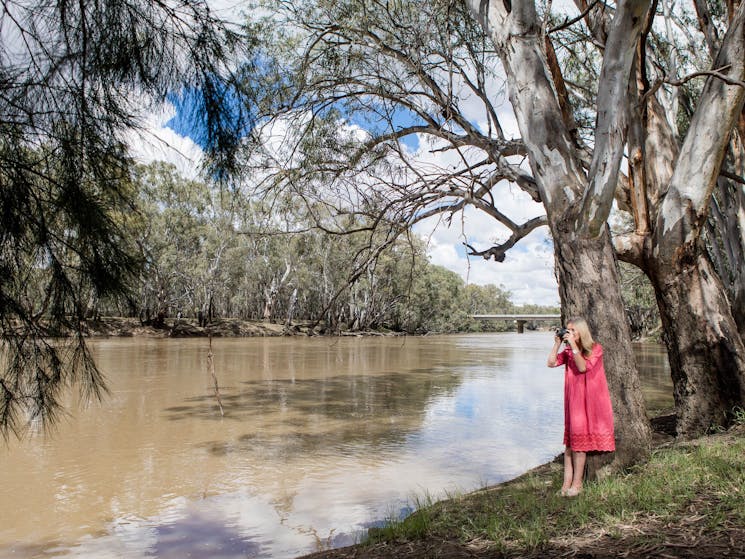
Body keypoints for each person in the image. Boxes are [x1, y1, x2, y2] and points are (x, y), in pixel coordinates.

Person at [547, 317, 615, 497]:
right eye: (567, 330)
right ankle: (566, 484)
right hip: (573, 401)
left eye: (572, 331)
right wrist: (557, 345)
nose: (569, 333)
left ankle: (577, 485)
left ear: (581, 332)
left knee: (579, 446)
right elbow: (551, 363)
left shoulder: (595, 349)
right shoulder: (569, 351)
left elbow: (583, 368)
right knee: (570, 444)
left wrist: (574, 347)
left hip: (589, 402)